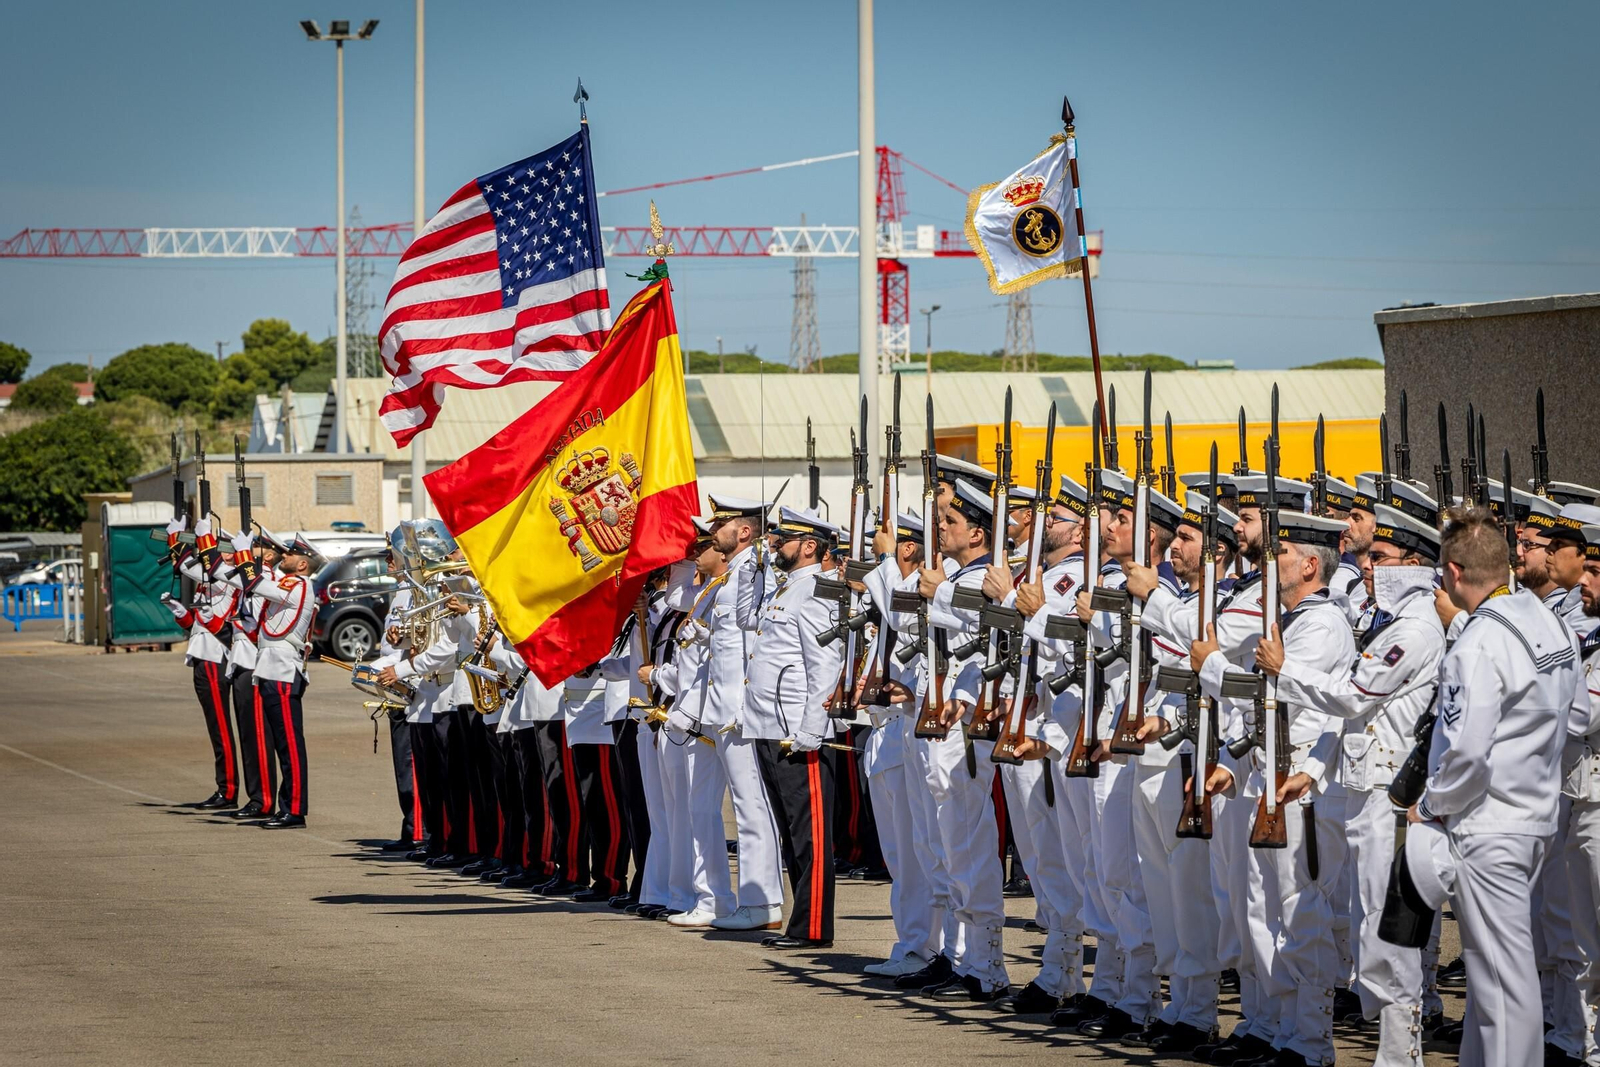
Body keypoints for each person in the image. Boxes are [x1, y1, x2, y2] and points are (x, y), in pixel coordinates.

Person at [1263, 504, 1446, 1064]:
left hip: (1392, 796)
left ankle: (1401, 1056)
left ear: (1415, 565)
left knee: (1389, 939)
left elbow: (1353, 696)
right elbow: (1352, 714)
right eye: (1369, 558)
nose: (1368, 567)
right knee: (1372, 932)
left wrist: (1285, 669)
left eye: (1380, 558)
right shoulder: (1393, 622)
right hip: (1369, 789)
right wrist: (1316, 769)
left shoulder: (1414, 630)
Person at [1408, 505, 1585, 1067]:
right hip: (1534, 816)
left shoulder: (1479, 641)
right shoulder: (1548, 619)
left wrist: (1430, 805)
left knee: (1502, 986)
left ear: (1454, 573)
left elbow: (1467, 753)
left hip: (1489, 825)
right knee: (1496, 983)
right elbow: (1578, 713)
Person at [1193, 504, 1354, 1067]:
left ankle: (1311, 1040)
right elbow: (1262, 711)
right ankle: (1278, 1028)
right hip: (1269, 777)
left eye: (1281, 551)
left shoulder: (1322, 623)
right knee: (1261, 911)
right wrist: (1233, 764)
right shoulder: (1289, 620)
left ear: (1310, 565)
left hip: (1302, 783)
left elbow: (1280, 693)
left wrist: (1213, 666)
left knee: (1300, 912)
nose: (1269, 558)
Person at [738, 505, 846, 950]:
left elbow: (825, 665)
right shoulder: (785, 588)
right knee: (790, 831)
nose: (774, 544)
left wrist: (812, 728)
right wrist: (751, 572)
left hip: (798, 731)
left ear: (809, 546)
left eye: (783, 539)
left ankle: (812, 927)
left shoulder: (816, 591)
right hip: (769, 724)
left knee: (810, 835)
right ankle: (801, 924)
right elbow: (745, 619)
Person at [232, 531, 321, 829]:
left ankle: (294, 810)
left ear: (303, 564)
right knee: (283, 744)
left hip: (283, 670)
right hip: (271, 668)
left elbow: (255, 583)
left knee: (289, 745)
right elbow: (247, 583)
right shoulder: (289, 584)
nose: (285, 556)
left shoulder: (299, 585)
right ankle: (287, 807)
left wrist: (243, 554)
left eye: (291, 554)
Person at [163, 516, 239, 810]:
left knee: (220, 726)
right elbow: (197, 624)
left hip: (215, 657)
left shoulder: (230, 579)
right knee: (215, 726)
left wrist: (176, 537)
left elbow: (184, 565)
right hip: (202, 656)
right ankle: (225, 787)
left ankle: (228, 790)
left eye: (225, 550)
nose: (220, 555)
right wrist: (180, 612)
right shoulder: (211, 580)